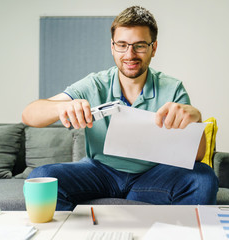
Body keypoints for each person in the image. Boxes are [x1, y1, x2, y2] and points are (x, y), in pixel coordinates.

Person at [22, 6, 218, 211]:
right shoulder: (94, 84)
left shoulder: (172, 88)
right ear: (112, 47)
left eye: (140, 45)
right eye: (122, 45)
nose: (130, 54)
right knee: (40, 178)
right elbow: (29, 115)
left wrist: (196, 120)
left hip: (152, 176)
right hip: (99, 172)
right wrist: (63, 106)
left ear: (154, 47)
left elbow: (196, 156)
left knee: (203, 178)